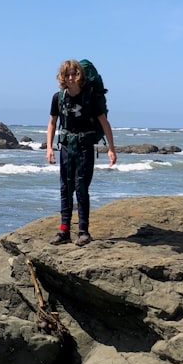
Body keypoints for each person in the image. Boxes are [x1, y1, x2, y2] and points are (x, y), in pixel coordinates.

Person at [45, 59, 116, 246]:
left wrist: (111, 149)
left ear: (80, 76)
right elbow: (52, 122)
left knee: (81, 187)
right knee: (65, 188)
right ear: (62, 77)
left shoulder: (90, 97)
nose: (71, 78)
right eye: (67, 75)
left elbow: (104, 123)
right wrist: (49, 147)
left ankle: (83, 231)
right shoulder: (58, 97)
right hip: (67, 147)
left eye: (74, 74)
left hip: (85, 147)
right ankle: (64, 231)